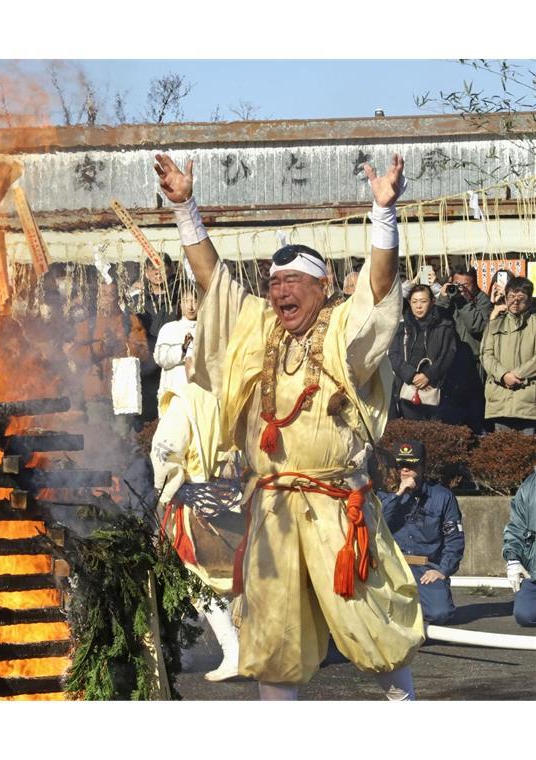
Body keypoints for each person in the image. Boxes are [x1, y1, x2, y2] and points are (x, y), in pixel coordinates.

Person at [153, 151, 424, 700]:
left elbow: (377, 289)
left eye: (294, 280)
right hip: (273, 508)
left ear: (322, 287)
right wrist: (185, 208)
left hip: (334, 504)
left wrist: (383, 215)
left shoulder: (344, 328)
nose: (280, 290)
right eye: (275, 282)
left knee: (371, 624)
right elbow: (217, 283)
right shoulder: (258, 328)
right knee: (273, 645)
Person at [149, 382, 242, 681]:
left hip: (204, 512)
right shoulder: (244, 383)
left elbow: (165, 452)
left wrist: (164, 493)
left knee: (202, 582)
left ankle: (233, 652)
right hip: (248, 503)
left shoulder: (186, 399)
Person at [378, 440, 464, 625]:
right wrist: (399, 493)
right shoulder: (384, 495)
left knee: (441, 613)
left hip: (426, 568)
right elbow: (376, 524)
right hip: (393, 567)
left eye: (411, 465)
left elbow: (454, 538)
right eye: (401, 465)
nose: (405, 470)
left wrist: (442, 570)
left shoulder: (442, 496)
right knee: (377, 614)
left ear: (423, 466)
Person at [435, 266, 492, 431]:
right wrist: (443, 298)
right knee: (451, 414)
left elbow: (478, 326)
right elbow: (435, 320)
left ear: (475, 284)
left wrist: (463, 302)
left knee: (475, 411)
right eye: (457, 284)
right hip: (450, 362)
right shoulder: (449, 298)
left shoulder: (482, 299)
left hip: (474, 363)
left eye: (466, 285)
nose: (461, 288)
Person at [388, 284, 456, 422]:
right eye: (414, 302)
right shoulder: (403, 326)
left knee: (433, 435)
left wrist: (429, 375)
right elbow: (394, 355)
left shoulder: (444, 325)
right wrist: (411, 375)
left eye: (423, 301)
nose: (418, 306)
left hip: (435, 390)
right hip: (407, 389)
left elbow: (447, 355)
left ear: (433, 302)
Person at [480, 277, 536, 435]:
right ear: (505, 298)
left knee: (527, 451)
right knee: (502, 452)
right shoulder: (495, 324)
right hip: (500, 397)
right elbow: (486, 354)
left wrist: (518, 374)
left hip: (528, 398)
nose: (515, 302)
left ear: (529, 300)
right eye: (511, 297)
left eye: (521, 298)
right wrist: (503, 375)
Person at [503, 471, 536, 627]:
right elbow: (516, 528)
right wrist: (513, 559)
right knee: (525, 615)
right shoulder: (529, 487)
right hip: (534, 571)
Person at [153, 287, 198, 399]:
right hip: (176, 388)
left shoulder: (208, 328)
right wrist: (182, 349)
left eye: (194, 301)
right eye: (185, 301)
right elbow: (160, 358)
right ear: (179, 304)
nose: (190, 306)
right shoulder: (169, 328)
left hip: (200, 390)